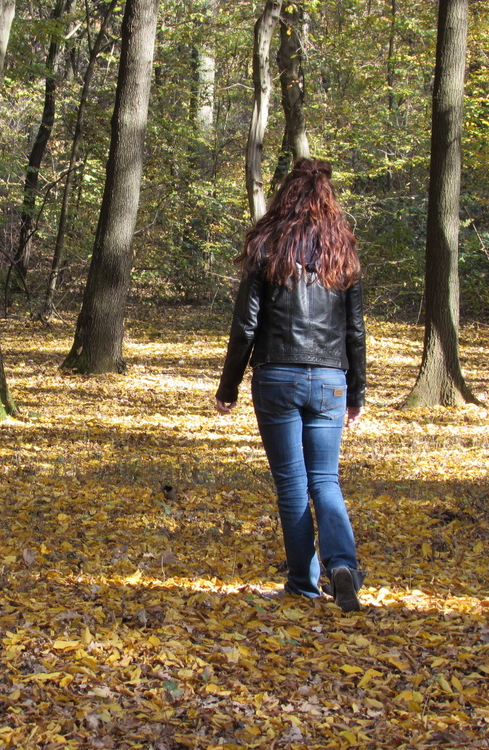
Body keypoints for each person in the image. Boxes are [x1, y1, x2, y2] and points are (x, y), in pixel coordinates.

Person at [215, 158, 367, 612]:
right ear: (328, 200)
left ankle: (303, 583)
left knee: (292, 485)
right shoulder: (344, 253)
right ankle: (343, 566)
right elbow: (355, 331)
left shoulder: (268, 247)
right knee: (326, 480)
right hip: (329, 379)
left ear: (286, 196)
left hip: (277, 376)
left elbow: (246, 326)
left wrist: (229, 387)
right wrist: (356, 392)